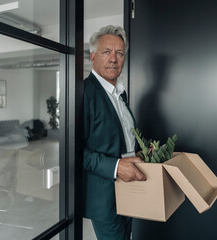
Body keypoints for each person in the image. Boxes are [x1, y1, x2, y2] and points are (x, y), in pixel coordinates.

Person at [83, 25, 147, 240]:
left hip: (129, 189)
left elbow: (120, 139)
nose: (114, 58)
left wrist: (139, 153)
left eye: (119, 53)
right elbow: (74, 151)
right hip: (104, 198)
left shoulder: (120, 94)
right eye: (106, 52)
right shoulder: (83, 92)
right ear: (93, 57)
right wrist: (117, 166)